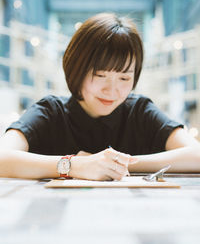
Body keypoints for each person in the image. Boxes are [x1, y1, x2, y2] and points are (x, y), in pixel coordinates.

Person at [0, 13, 200, 180]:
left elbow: (197, 155)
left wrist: (118, 164)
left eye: (124, 77)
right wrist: (75, 165)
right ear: (76, 68)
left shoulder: (139, 111)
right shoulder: (50, 112)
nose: (112, 90)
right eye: (100, 75)